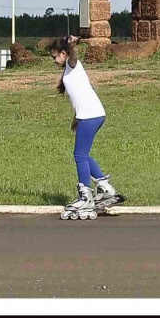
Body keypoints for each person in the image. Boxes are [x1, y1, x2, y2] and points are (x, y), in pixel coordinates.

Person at [49, 34, 126, 220]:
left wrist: (72, 46)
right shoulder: (68, 71)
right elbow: (79, 94)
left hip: (90, 116)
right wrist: (76, 117)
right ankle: (105, 188)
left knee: (79, 155)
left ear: (63, 53)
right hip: (92, 115)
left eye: (54, 57)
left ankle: (85, 196)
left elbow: (73, 56)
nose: (53, 61)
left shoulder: (72, 64)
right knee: (83, 154)